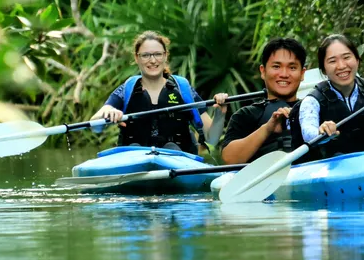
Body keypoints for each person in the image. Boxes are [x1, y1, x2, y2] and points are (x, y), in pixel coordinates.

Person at [90, 31, 227, 154]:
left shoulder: (182, 88)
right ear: (137, 58)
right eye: (146, 55)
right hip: (135, 159)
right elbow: (95, 126)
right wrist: (108, 112)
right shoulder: (127, 89)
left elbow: (212, 139)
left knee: (171, 148)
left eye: (157, 54)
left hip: (178, 161)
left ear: (165, 56)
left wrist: (220, 114)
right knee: (135, 148)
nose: (152, 60)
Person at [220, 37, 308, 164]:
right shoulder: (245, 115)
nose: (284, 74)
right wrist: (267, 129)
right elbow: (229, 159)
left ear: (302, 73)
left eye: (292, 68)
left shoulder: (314, 108)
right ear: (263, 71)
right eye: (276, 66)